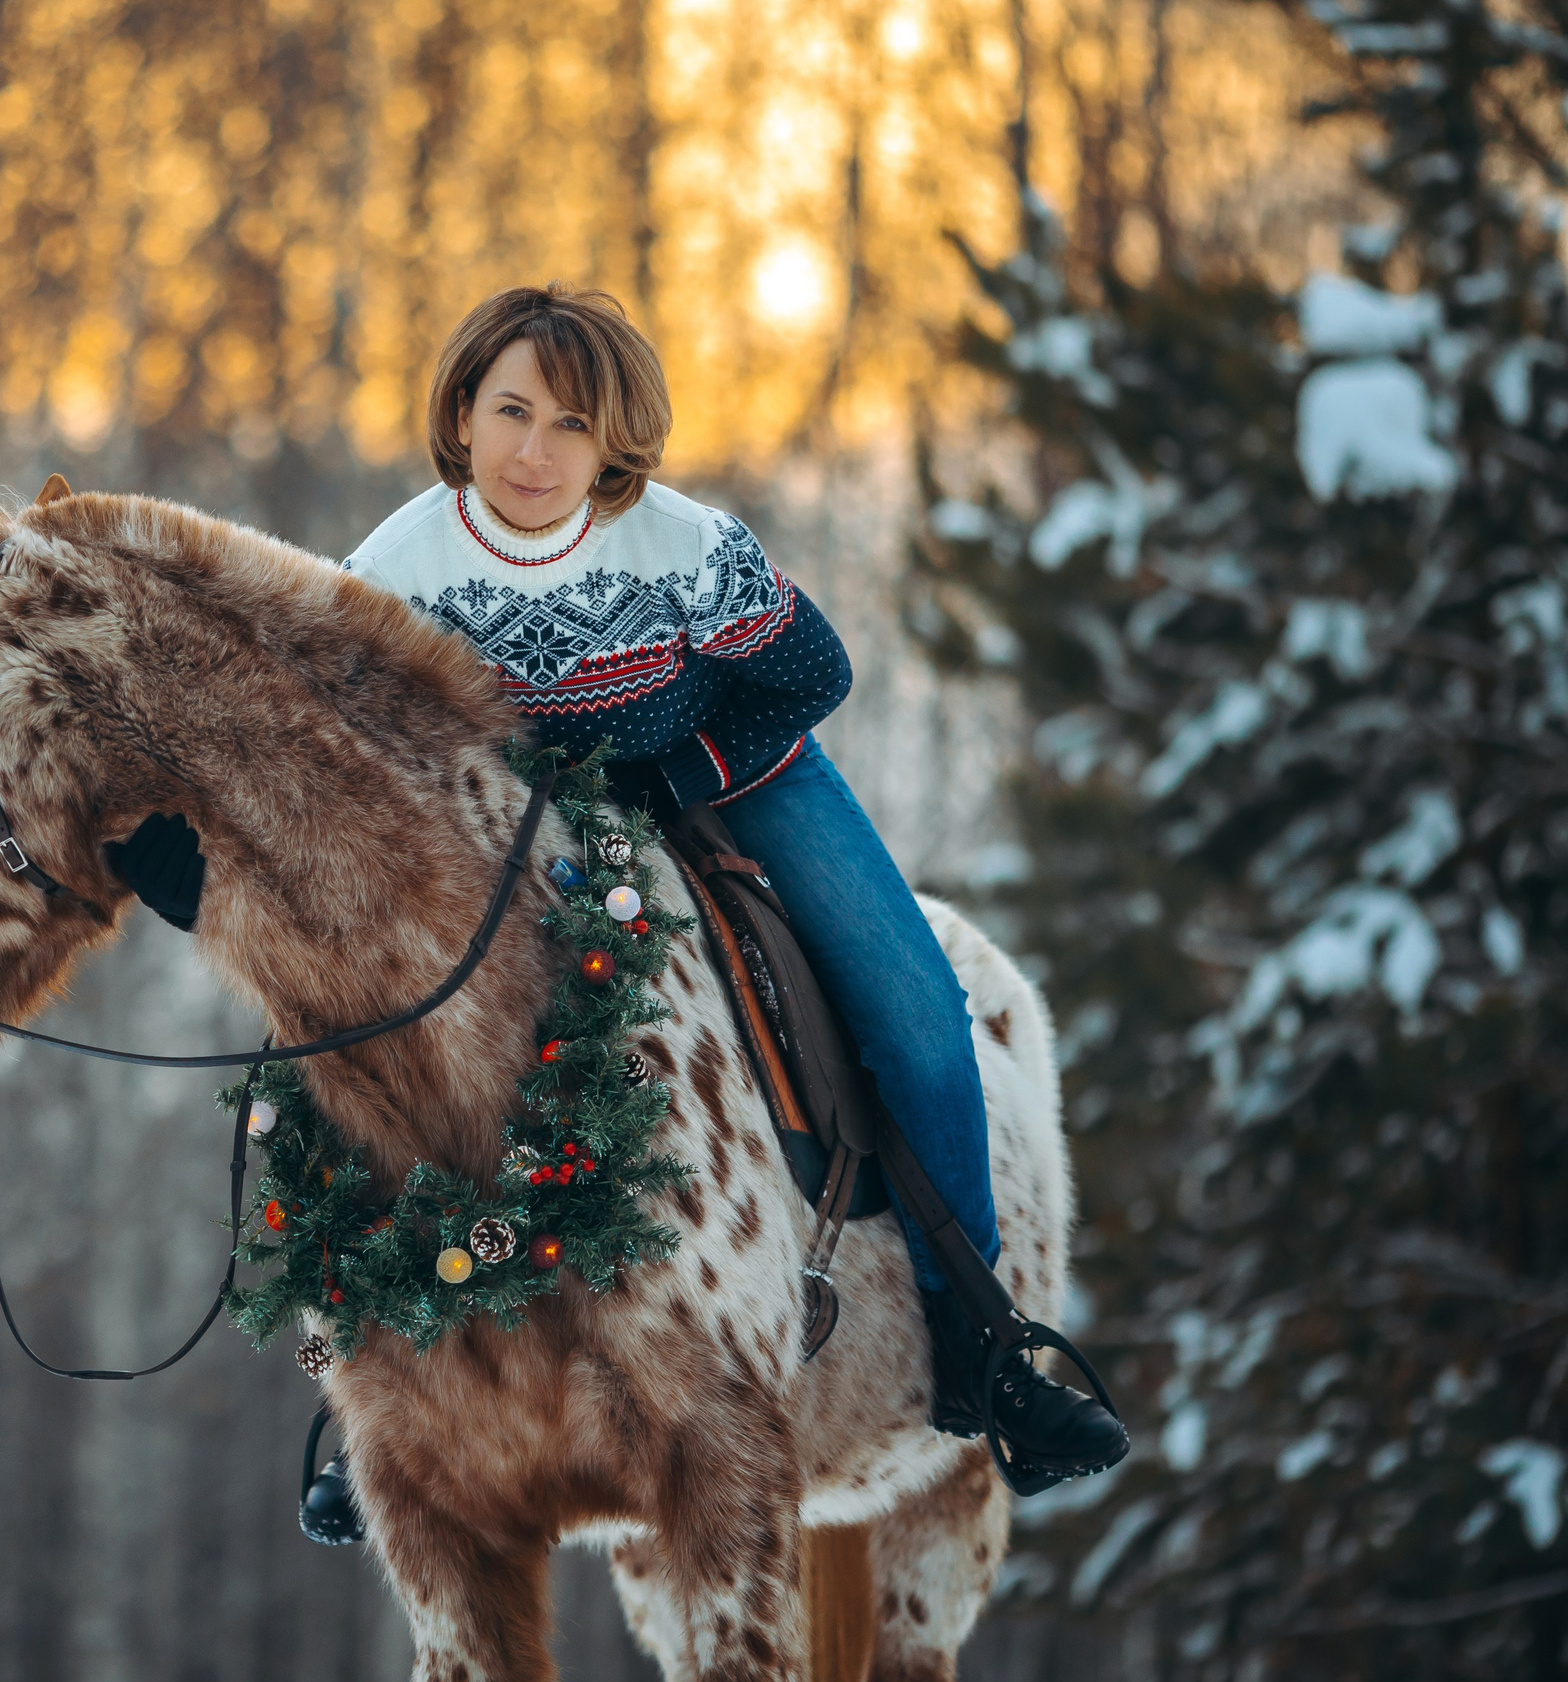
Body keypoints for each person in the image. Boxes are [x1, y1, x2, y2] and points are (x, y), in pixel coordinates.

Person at [107, 284, 1126, 1479]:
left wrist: (673, 774)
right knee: (364, 1035)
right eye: (511, 411)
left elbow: (810, 675)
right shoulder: (390, 573)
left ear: (614, 444)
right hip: (514, 823)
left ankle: (988, 1354)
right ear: (462, 412)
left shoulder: (683, 547)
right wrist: (202, 877)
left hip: (735, 773)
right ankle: (368, 1400)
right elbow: (313, 776)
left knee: (914, 1011)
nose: (533, 452)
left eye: (571, 425)